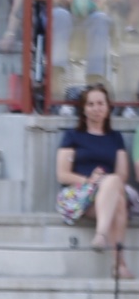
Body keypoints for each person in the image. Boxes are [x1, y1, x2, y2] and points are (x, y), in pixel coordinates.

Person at [56, 83, 131, 277]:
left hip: (108, 193)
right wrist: (90, 180)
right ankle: (119, 263)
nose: (96, 108)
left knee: (115, 187)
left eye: (100, 103)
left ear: (108, 107)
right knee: (117, 199)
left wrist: (104, 181)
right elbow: (62, 174)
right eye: (90, 104)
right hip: (81, 195)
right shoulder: (73, 136)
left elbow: (122, 174)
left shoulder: (115, 138)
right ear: (83, 109)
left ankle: (102, 236)